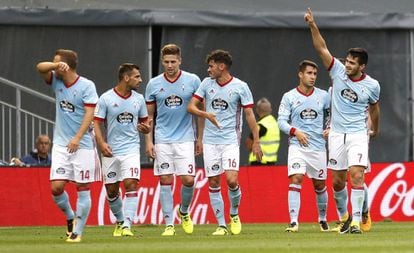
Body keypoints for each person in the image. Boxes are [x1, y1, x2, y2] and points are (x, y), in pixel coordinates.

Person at [305, 8, 381, 234]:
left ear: (362, 67)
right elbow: (321, 48)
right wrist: (312, 25)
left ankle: (357, 221)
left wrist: (374, 130)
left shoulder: (372, 85)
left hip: (358, 133)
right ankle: (347, 216)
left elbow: (375, 110)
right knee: (337, 182)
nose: (347, 65)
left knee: (356, 176)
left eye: (352, 63)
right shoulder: (337, 72)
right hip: (336, 134)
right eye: (347, 61)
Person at [187, 49, 262, 235]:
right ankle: (221, 224)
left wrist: (256, 141)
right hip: (211, 142)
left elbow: (250, 114)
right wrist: (206, 115)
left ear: (222, 66)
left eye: (211, 66)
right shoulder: (206, 84)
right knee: (213, 181)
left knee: (231, 179)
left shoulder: (240, 86)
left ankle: (234, 214)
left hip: (230, 140)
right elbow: (190, 107)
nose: (208, 69)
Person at [36, 49, 101, 242]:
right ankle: (71, 218)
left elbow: (90, 114)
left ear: (68, 65)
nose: (53, 66)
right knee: (56, 188)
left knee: (83, 186)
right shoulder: (56, 80)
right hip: (61, 145)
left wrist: (77, 138)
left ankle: (77, 232)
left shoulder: (87, 86)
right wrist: (55, 65)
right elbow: (39, 67)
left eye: (57, 62)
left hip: (82, 145)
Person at [144, 44, 202, 236]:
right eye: (166, 62)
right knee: (165, 178)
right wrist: (149, 142)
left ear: (180, 60)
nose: (170, 65)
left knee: (188, 179)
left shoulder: (193, 81)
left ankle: (183, 212)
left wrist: (200, 138)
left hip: (185, 137)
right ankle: (169, 224)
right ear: (162, 61)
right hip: (162, 138)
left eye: (173, 62)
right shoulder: (153, 84)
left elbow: (200, 111)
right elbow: (148, 116)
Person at [94, 63, 151, 237]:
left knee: (131, 183)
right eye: (137, 77)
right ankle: (120, 221)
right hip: (111, 151)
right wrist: (102, 143)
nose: (140, 80)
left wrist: (146, 130)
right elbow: (96, 122)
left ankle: (127, 225)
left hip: (131, 149)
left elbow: (145, 123)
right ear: (126, 78)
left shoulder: (139, 99)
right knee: (111, 190)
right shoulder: (106, 98)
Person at [278, 60, 330, 232]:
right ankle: (293, 221)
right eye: (309, 73)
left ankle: (322, 219)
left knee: (319, 185)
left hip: (318, 147)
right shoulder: (289, 96)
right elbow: (281, 122)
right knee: (296, 179)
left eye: (315, 74)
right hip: (297, 146)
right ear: (300, 74)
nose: (312, 77)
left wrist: (329, 128)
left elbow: (332, 116)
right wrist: (295, 131)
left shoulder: (324, 96)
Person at [245, 97, 280, 165]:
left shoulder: (261, 125)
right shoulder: (274, 123)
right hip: (271, 163)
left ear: (257, 110)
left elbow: (248, 144)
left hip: (258, 163)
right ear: (270, 110)